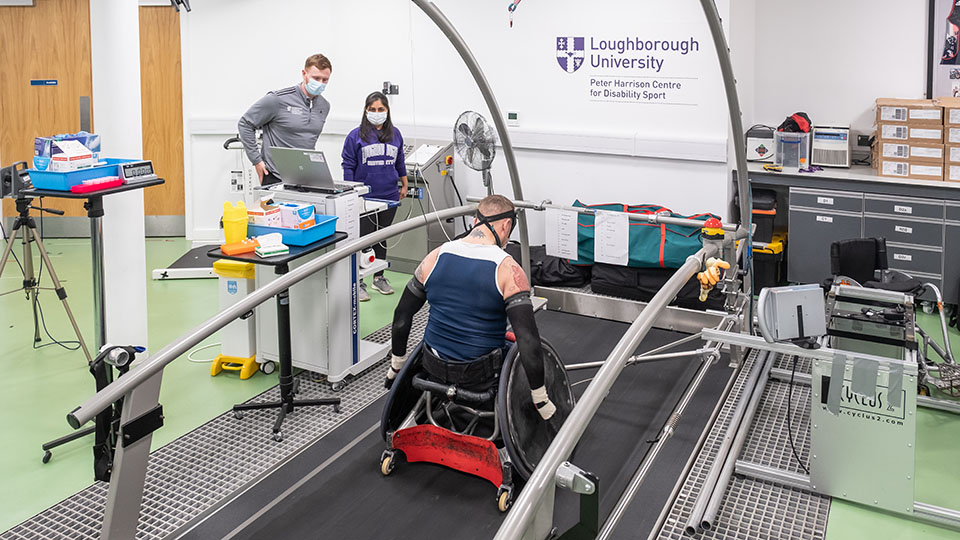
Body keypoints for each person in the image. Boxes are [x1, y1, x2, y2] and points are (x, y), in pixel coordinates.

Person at [386, 195, 557, 422]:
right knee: (517, 347)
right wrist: (540, 396)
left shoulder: (435, 256)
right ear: (507, 225)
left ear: (475, 220)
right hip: (480, 376)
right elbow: (527, 339)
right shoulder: (508, 268)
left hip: (432, 365)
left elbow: (401, 316)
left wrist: (397, 365)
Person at [341, 91, 408, 301]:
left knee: (381, 237)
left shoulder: (395, 134)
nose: (377, 113)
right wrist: (352, 192)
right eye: (372, 109)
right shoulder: (355, 136)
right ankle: (359, 281)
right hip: (365, 198)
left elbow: (400, 161)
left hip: (389, 194)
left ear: (387, 111)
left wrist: (404, 183)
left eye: (381, 109)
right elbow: (348, 166)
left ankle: (379, 277)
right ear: (366, 111)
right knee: (364, 239)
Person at [238, 53, 332, 185]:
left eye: (325, 80)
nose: (320, 83)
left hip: (304, 177)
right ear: (304, 74)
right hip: (275, 175)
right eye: (316, 78)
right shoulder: (278, 99)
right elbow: (245, 124)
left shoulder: (324, 106)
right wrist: (257, 161)